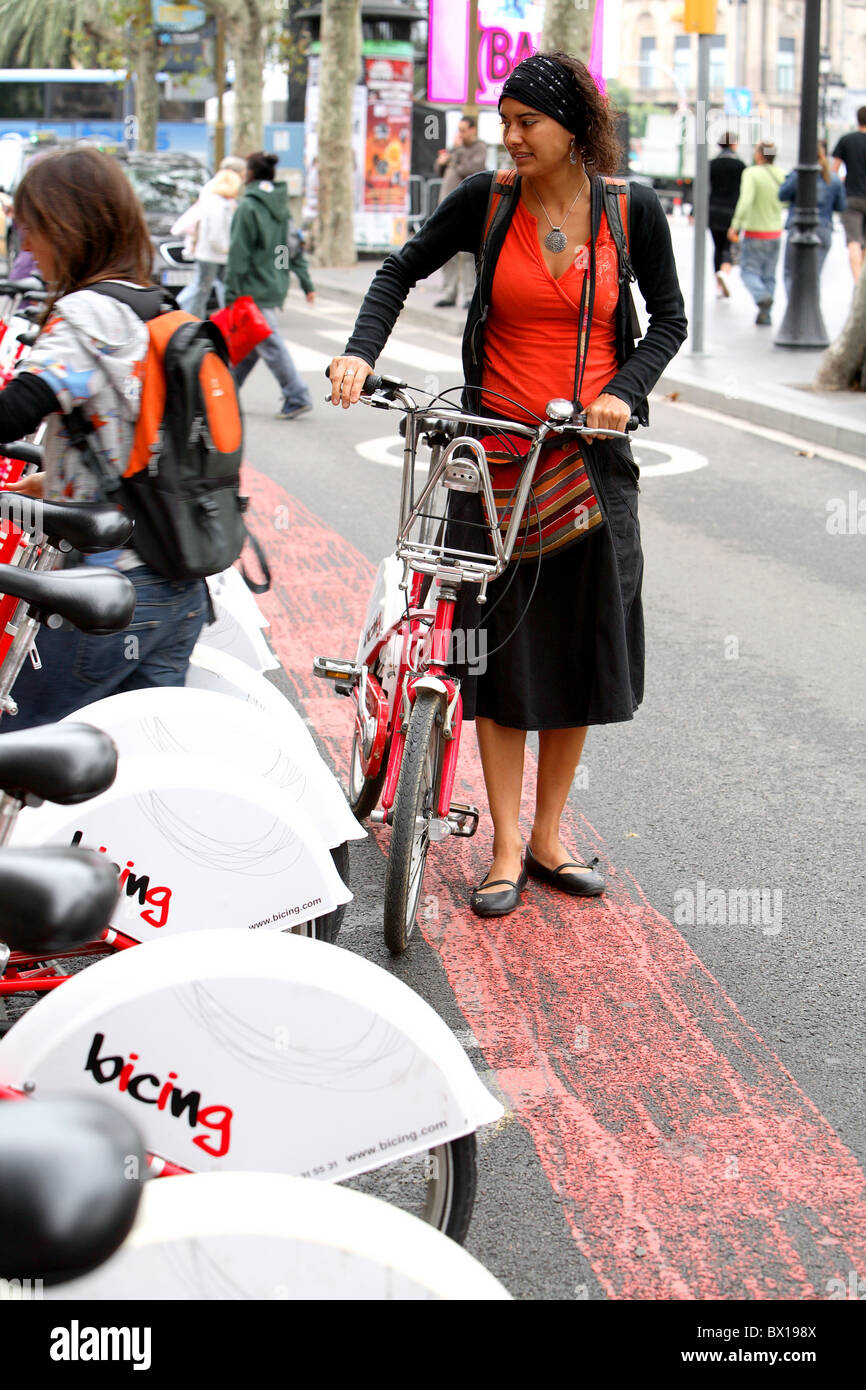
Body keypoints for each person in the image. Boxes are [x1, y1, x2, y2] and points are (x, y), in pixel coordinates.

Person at [329, 51, 687, 918]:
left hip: (586, 469)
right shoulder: (486, 201)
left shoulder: (628, 209)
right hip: (489, 461)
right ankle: (499, 844)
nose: (511, 137)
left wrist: (620, 393)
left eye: (527, 122)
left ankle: (548, 837)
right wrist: (359, 349)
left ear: (573, 127)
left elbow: (670, 319)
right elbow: (398, 270)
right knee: (497, 657)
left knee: (576, 655)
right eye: (506, 121)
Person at [0, 148, 208, 731]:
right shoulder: (151, 305)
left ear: (67, 226)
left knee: (18, 755)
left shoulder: (86, 313)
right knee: (134, 788)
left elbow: (15, 412)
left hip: (108, 593)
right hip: (178, 587)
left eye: (31, 229)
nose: (25, 250)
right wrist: (57, 483)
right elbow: (132, 436)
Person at [224, 151, 313, 421]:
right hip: (274, 282)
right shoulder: (281, 206)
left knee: (270, 344)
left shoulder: (247, 208)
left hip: (253, 288)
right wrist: (301, 280)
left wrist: (231, 294)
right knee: (252, 343)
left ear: (249, 175)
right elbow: (290, 248)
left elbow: (238, 255)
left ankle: (297, 395)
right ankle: (225, 390)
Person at [778, 140, 846, 299]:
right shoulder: (833, 179)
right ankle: (809, 310)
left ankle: (794, 308)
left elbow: (782, 195)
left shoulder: (798, 175)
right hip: (824, 229)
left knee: (790, 272)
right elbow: (841, 206)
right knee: (814, 276)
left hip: (797, 227)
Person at [728, 140, 785, 325]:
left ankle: (761, 297)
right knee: (769, 275)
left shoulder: (752, 173)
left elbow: (745, 200)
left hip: (755, 232)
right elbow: (785, 201)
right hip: (775, 233)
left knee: (747, 272)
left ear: (760, 155)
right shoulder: (781, 174)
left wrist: (735, 224)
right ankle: (765, 314)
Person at [434, 116, 488, 308]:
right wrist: (443, 161)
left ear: (473, 130)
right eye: (459, 129)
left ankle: (467, 294)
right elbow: (440, 171)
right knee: (445, 252)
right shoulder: (455, 149)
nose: (461, 133)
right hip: (446, 207)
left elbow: (472, 169)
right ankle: (448, 291)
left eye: (464, 130)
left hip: (467, 208)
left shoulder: (479, 147)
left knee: (466, 254)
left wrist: (454, 155)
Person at [176, 166, 242, 320]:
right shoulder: (219, 205)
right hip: (213, 255)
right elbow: (216, 234)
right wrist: (226, 248)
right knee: (202, 288)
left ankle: (193, 317)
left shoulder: (215, 201)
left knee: (207, 288)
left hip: (212, 255)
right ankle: (180, 311)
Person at [708, 133, 745, 298]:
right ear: (734, 145)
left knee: (717, 247)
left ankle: (717, 283)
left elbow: (704, 189)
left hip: (714, 212)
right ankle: (724, 272)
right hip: (733, 213)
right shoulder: (741, 166)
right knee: (729, 247)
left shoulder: (711, 164)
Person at [832, 106, 866, 283]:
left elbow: (833, 171)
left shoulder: (846, 140)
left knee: (853, 242)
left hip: (851, 196)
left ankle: (858, 283)